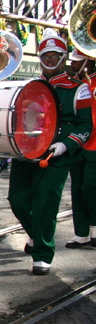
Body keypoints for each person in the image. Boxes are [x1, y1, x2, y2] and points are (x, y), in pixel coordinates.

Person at [8, 29, 92, 274]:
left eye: (56, 56)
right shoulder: (28, 87)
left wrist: (66, 144)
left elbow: (86, 124)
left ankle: (42, 253)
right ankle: (37, 234)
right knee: (18, 200)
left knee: (46, 203)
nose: (51, 60)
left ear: (64, 57)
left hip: (56, 155)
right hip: (26, 151)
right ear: (40, 57)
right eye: (47, 55)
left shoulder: (79, 88)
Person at [66, 51, 96, 248]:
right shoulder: (76, 84)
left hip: (94, 144)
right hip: (78, 142)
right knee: (77, 188)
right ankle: (81, 233)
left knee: (90, 187)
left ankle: (94, 227)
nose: (73, 65)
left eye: (76, 62)